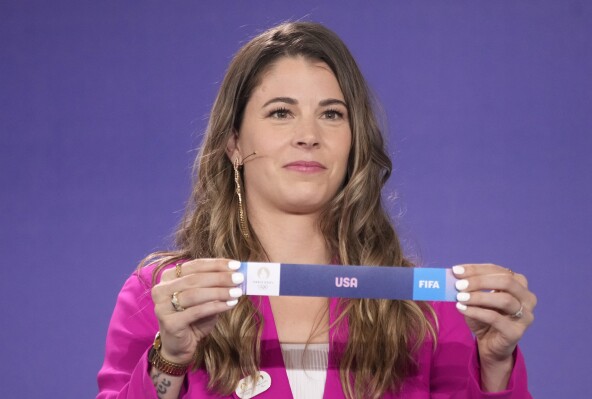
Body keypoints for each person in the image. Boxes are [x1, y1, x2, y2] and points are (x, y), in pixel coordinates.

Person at [97, 22, 537, 399]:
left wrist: (496, 366)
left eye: (331, 114)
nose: (308, 135)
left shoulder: (428, 313)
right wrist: (170, 358)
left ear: (354, 141)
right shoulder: (163, 294)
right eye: (281, 113)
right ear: (233, 143)